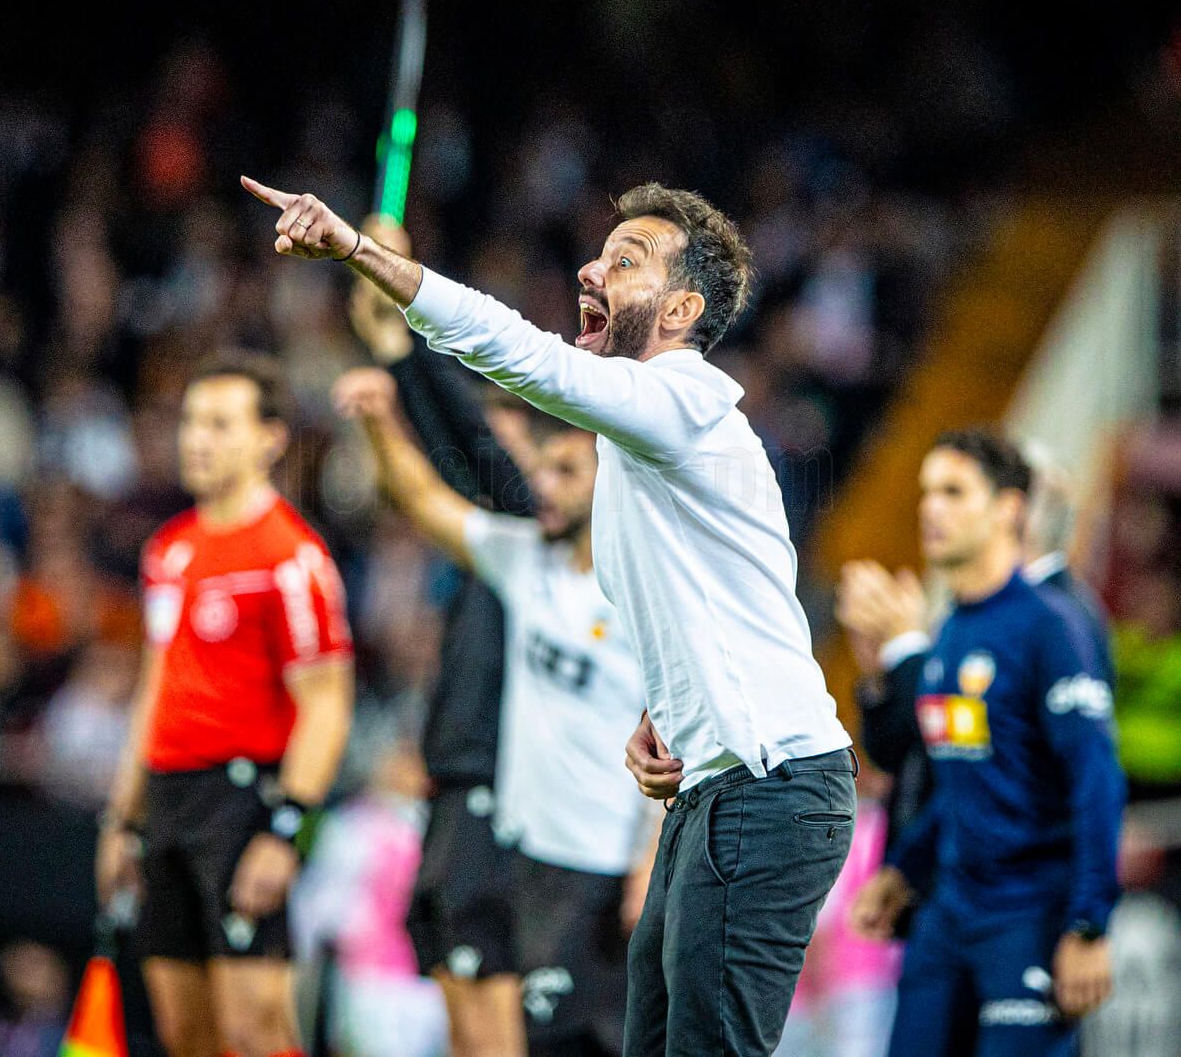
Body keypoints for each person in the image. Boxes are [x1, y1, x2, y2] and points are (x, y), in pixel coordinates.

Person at [242, 175, 853, 1056]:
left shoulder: (688, 397)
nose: (591, 270)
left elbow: (521, 356)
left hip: (770, 787)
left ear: (681, 311)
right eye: (600, 253)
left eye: (627, 260)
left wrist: (366, 257)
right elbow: (737, 590)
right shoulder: (640, 449)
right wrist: (669, 705)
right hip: (713, 786)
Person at [335, 365, 660, 1056]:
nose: (542, 485)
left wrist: (650, 861)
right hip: (528, 860)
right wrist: (379, 421)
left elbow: (680, 743)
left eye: (567, 471)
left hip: (601, 871)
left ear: (617, 483)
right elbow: (423, 498)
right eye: (541, 468)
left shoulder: (650, 600)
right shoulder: (524, 562)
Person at [96, 351, 355, 1057]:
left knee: (256, 1031)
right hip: (169, 803)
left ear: (270, 439)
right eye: (190, 422)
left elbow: (327, 704)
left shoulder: (291, 557)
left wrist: (285, 829)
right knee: (185, 1032)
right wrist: (123, 818)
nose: (196, 439)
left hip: (242, 804)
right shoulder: (168, 551)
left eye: (218, 423)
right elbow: (157, 686)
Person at [850, 430, 1125, 1057]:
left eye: (953, 492)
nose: (930, 509)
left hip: (1028, 915)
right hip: (950, 911)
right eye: (926, 492)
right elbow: (964, 779)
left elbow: (1096, 781)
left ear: (1009, 509)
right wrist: (904, 870)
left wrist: (1089, 924)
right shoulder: (951, 631)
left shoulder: (1053, 628)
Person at [345, 217, 528, 1057]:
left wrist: (402, 309)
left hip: (505, 792)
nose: (511, 444)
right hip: (458, 788)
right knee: (465, 1010)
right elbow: (451, 470)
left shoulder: (549, 537)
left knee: (499, 1019)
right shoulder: (507, 539)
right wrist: (393, 349)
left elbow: (480, 457)